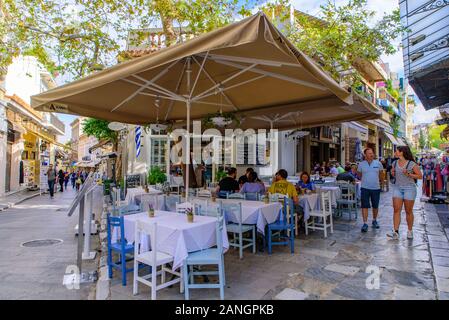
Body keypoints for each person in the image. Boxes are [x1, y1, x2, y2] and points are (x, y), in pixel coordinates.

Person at [388, 146, 423, 240]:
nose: (395, 152)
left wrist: (409, 174)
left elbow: (420, 176)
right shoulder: (394, 163)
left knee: (408, 211)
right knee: (396, 210)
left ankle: (410, 231)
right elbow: (393, 173)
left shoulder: (412, 164)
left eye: (397, 151)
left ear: (402, 152)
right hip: (397, 187)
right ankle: (395, 232)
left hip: (409, 188)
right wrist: (392, 172)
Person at [357, 148, 383, 233]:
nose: (371, 154)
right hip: (365, 188)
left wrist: (379, 184)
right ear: (365, 155)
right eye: (369, 153)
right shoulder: (361, 164)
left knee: (375, 205)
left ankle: (374, 220)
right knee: (365, 206)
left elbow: (381, 175)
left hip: (375, 188)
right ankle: (365, 223)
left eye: (372, 153)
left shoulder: (378, 163)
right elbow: (359, 175)